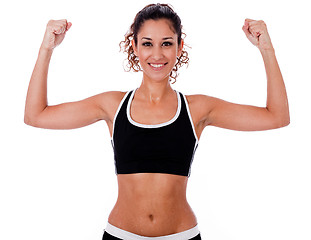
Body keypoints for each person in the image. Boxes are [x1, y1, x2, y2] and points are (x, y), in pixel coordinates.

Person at [24, 3, 290, 240]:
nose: (157, 55)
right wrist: (47, 47)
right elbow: (36, 115)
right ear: (135, 46)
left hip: (182, 235)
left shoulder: (197, 108)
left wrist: (266, 48)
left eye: (166, 43)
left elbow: (276, 116)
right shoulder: (112, 106)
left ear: (179, 46)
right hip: (121, 235)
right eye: (148, 43)